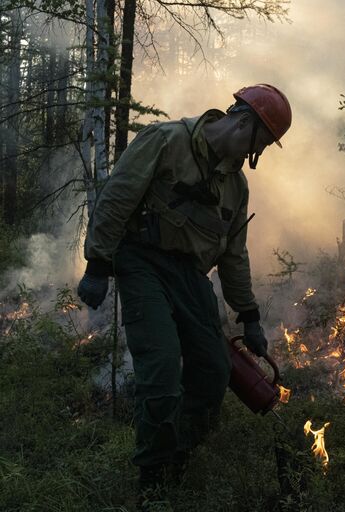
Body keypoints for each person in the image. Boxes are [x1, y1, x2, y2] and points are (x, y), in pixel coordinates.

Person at [76, 84, 291, 507]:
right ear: (243, 122)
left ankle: (178, 454)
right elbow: (117, 198)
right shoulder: (166, 140)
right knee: (160, 371)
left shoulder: (236, 187)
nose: (257, 153)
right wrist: (98, 265)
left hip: (191, 276)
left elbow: (233, 255)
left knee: (213, 370)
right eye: (260, 142)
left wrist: (249, 317)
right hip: (143, 263)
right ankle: (152, 483)